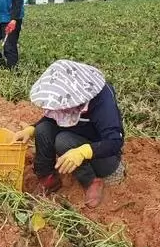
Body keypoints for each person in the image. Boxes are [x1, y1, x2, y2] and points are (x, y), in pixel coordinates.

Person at [14, 59, 125, 208]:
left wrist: (83, 152)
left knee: (63, 140)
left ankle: (91, 181)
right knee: (43, 129)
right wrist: (32, 129)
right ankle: (48, 178)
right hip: (77, 137)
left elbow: (114, 141)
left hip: (102, 156)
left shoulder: (102, 100)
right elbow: (52, 117)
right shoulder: (63, 100)